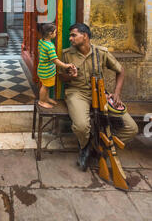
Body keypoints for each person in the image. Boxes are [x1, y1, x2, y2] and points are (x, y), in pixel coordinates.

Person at [59, 23, 138, 171]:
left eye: (73, 35)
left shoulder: (101, 53)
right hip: (77, 93)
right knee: (82, 127)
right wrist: (68, 75)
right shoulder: (67, 54)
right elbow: (61, 78)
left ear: (85, 36)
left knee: (131, 128)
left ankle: (102, 147)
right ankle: (85, 147)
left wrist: (117, 93)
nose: (70, 39)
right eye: (70, 35)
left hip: (101, 93)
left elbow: (121, 70)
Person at [37, 23, 76, 109]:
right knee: (45, 87)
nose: (56, 34)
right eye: (55, 32)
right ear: (50, 34)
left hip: (42, 68)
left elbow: (40, 53)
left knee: (46, 86)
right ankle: (42, 101)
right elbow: (55, 60)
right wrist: (65, 65)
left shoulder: (41, 41)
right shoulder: (49, 47)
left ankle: (46, 98)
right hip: (47, 70)